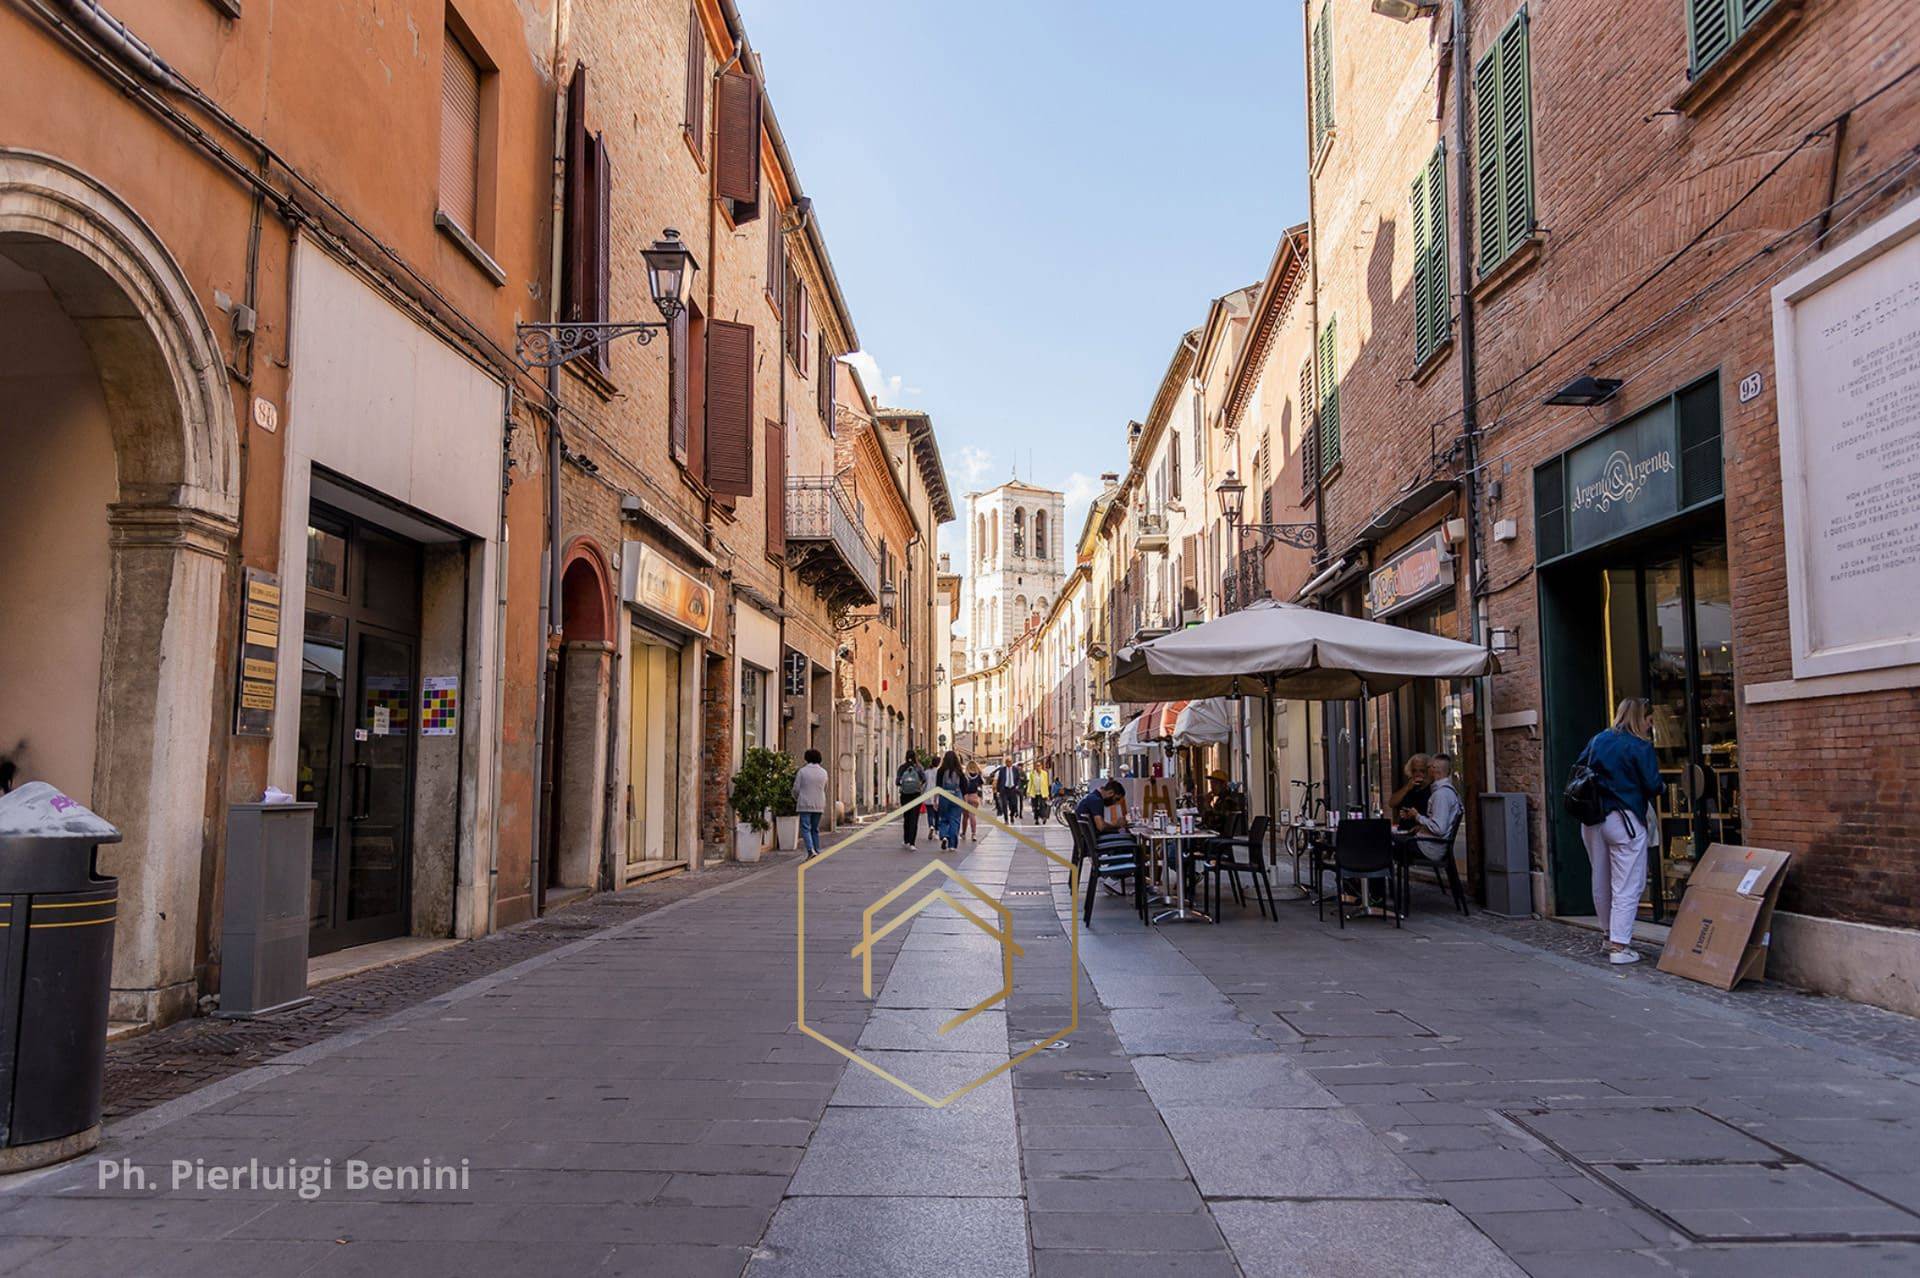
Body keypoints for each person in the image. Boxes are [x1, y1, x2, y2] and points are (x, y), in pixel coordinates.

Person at [1577, 699, 1663, 965]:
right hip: (1624, 818)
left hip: (1592, 818)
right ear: (1642, 718)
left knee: (1600, 878)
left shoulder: (1599, 739)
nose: (1651, 726)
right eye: (1650, 720)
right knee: (1627, 883)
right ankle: (1619, 946)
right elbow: (1653, 785)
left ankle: (1607, 936)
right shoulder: (1641, 746)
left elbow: (1579, 766)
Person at [1402, 753, 1461, 865]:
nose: (1424, 772)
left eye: (1427, 768)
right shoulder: (1448, 791)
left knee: (1388, 845)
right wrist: (1421, 827)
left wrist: (1417, 816)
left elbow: (1439, 828)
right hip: (1430, 845)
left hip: (1429, 848)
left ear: (1434, 770)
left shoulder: (1441, 795)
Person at [794, 748, 829, 858]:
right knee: (815, 828)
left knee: (805, 828)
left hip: (805, 803)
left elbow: (796, 788)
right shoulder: (823, 772)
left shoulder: (802, 771)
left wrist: (797, 798)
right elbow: (825, 788)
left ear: (806, 758)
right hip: (819, 803)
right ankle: (817, 849)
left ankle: (810, 850)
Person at [1388, 754, 1433, 832]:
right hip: (1403, 830)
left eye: (1422, 771)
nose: (1418, 774)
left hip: (1419, 834)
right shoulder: (1409, 787)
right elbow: (1391, 803)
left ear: (1428, 772)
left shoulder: (1432, 790)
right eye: (1414, 771)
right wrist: (1407, 788)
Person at [933, 750, 967, 850]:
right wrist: (964, 801)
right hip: (957, 796)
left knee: (943, 818)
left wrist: (935, 800)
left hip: (944, 796)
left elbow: (937, 786)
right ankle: (952, 845)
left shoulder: (941, 770)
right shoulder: (959, 771)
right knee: (954, 820)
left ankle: (944, 836)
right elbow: (964, 787)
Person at [895, 750, 927, 848]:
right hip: (916, 795)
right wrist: (919, 787)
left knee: (907, 817)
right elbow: (924, 779)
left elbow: (897, 782)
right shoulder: (919, 767)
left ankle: (906, 840)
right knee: (914, 818)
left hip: (905, 795)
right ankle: (912, 843)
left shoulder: (902, 768)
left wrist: (904, 785)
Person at [960, 763, 983, 841]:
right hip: (974, 797)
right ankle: (973, 834)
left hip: (965, 797)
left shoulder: (964, 775)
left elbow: (961, 786)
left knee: (965, 816)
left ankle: (963, 833)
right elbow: (981, 785)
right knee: (972, 815)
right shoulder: (978, 775)